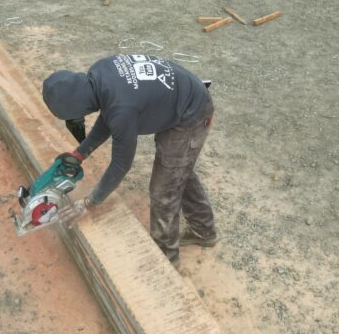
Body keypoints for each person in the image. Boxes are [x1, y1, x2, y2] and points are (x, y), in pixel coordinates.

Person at [42, 54, 216, 269]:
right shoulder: (99, 73)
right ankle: (204, 231)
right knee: (178, 170)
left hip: (192, 114)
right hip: (180, 99)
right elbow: (108, 119)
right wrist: (80, 153)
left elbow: (121, 164)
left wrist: (90, 202)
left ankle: (166, 262)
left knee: (163, 189)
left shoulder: (122, 108)